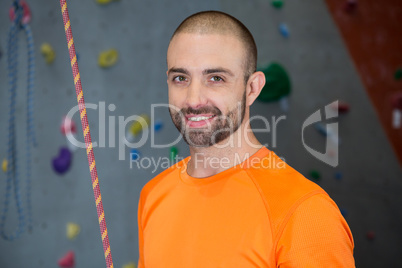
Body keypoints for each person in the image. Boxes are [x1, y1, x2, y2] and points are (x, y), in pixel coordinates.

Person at [137, 10, 354, 267]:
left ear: (252, 88)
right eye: (180, 78)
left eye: (216, 78)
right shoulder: (153, 195)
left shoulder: (306, 214)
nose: (193, 99)